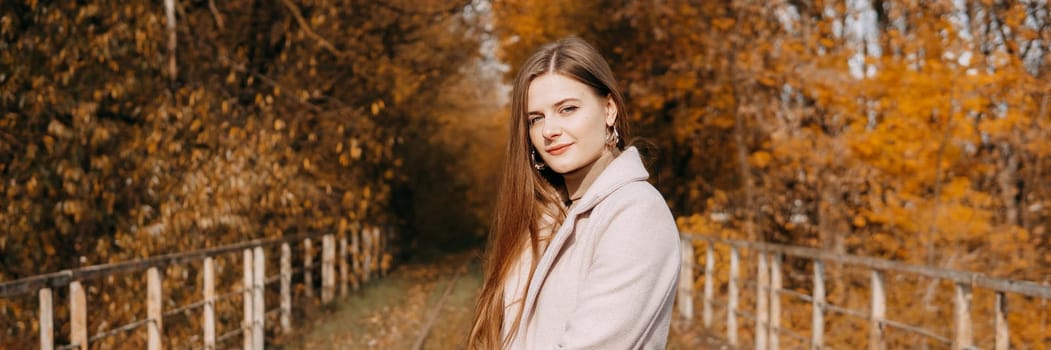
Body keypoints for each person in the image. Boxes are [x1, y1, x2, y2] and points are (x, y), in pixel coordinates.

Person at [467, 37, 681, 349]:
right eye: (536, 118)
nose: (548, 130)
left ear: (609, 110)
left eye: (567, 109)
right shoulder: (543, 217)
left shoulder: (635, 212)